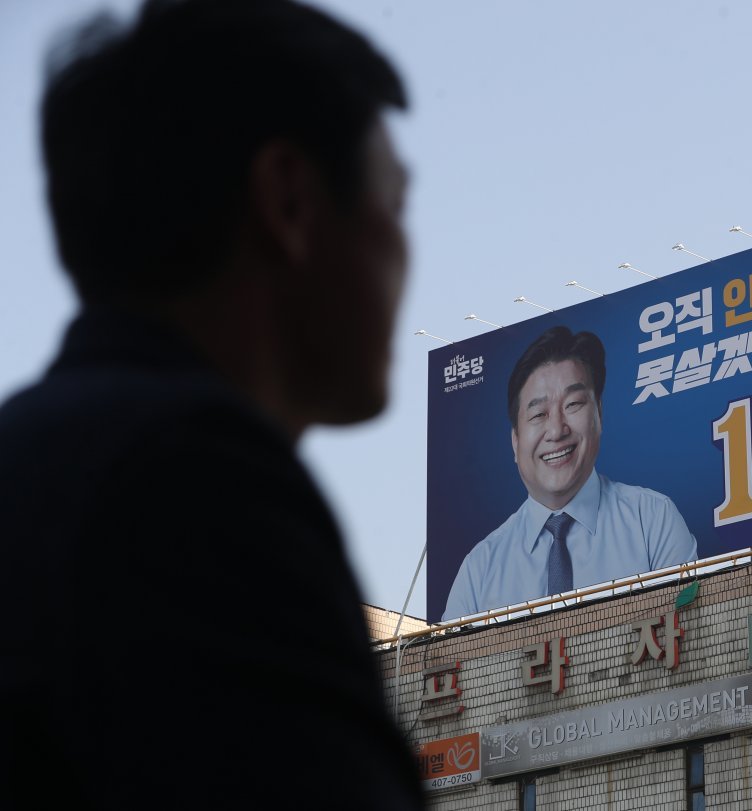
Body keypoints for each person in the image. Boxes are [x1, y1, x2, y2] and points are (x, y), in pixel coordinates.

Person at [0, 1, 424, 807]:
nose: (408, 250)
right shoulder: (198, 487)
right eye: (394, 205)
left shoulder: (37, 460)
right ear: (291, 199)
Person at [443, 326, 696, 620]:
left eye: (573, 404)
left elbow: (686, 636)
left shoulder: (652, 520)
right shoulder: (480, 569)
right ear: (515, 441)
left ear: (599, 414)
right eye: (538, 415)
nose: (556, 430)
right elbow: (451, 663)